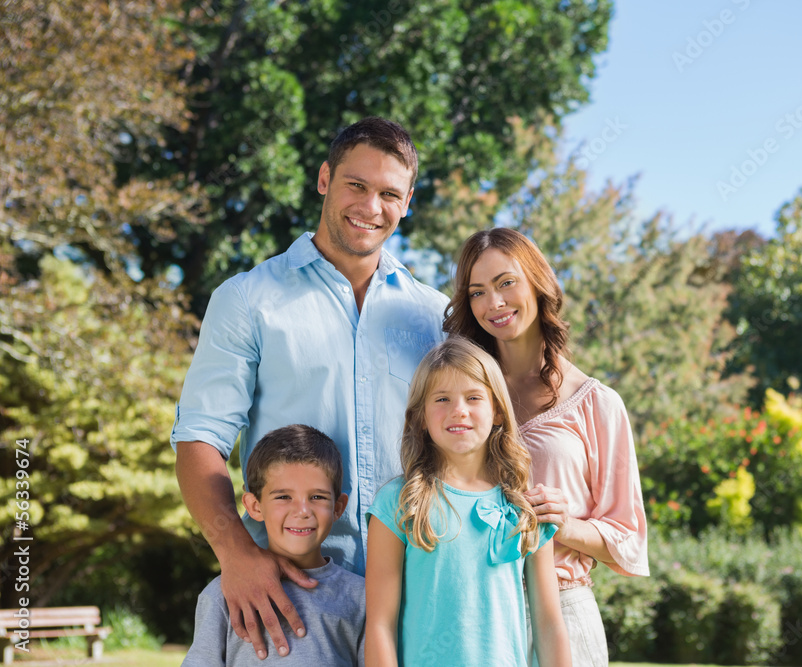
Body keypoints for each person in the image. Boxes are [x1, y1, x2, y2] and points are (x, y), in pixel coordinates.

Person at [171, 117, 448, 659]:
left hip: (415, 596)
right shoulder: (247, 298)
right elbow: (199, 438)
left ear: (408, 202)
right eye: (356, 185)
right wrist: (235, 556)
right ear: (324, 178)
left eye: (390, 193)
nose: (371, 206)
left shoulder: (435, 316)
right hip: (286, 599)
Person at [443, 228, 649, 666]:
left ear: (537, 283)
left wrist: (564, 524)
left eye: (505, 283)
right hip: (471, 613)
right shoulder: (456, 396)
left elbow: (627, 537)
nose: (493, 303)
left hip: (564, 612)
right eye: (477, 292)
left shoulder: (598, 403)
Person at [365, 336, 572, 667]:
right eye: (442, 399)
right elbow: (379, 625)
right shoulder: (397, 503)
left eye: (473, 397)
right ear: (420, 417)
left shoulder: (524, 506)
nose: (458, 410)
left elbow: (549, 624)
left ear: (498, 413)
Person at [183, 425, 364, 666]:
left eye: (317, 497)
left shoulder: (361, 597)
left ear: (338, 508)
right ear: (255, 506)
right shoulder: (225, 594)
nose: (302, 511)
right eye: (283, 497)